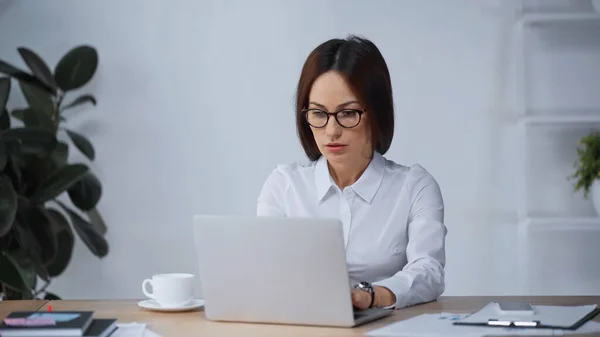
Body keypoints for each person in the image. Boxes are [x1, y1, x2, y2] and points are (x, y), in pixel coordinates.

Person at [256, 35, 447, 310]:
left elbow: (429, 271)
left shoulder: (415, 187)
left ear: (377, 113)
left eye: (347, 113)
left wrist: (370, 296)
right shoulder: (284, 186)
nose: (331, 131)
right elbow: (264, 269)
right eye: (318, 114)